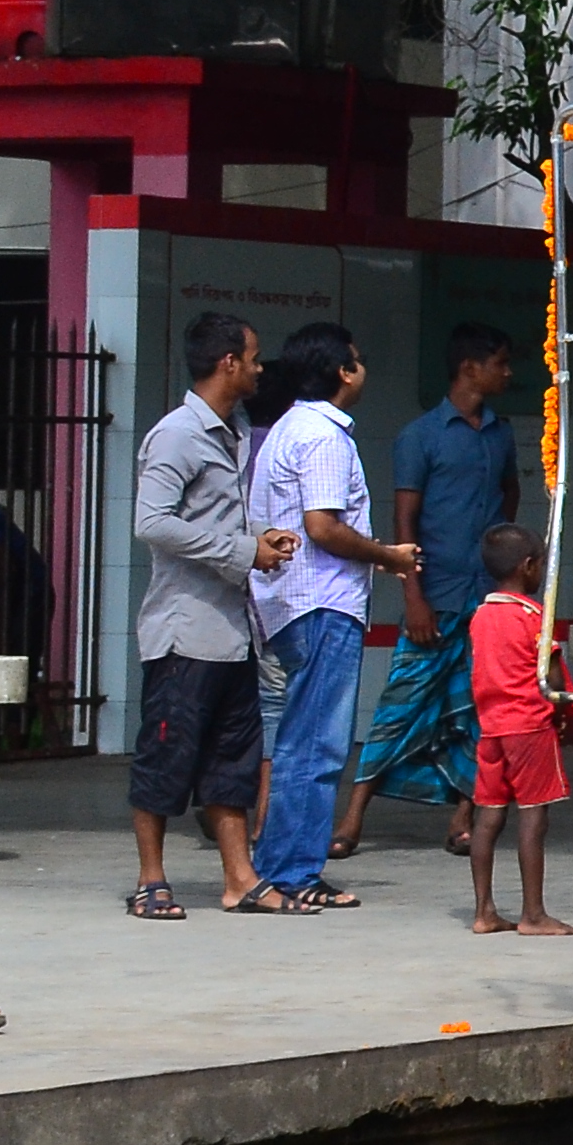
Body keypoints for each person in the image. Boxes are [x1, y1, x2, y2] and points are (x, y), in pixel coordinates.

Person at [125, 311, 299, 917]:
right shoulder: (177, 435)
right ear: (229, 363)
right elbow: (152, 522)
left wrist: (261, 537)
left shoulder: (231, 431)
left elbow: (215, 520)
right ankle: (151, 880)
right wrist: (240, 550)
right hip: (183, 634)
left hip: (229, 634)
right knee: (165, 759)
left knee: (232, 765)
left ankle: (239, 879)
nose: (258, 368)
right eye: (252, 358)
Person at [335, 324, 526, 868]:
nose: (507, 374)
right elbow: (404, 520)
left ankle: (462, 820)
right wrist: (412, 595)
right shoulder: (420, 435)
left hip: (485, 595)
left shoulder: (499, 434)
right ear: (471, 368)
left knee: (478, 710)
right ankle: (352, 818)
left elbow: (508, 493)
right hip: (435, 592)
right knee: (400, 704)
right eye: (501, 363)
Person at [240, 322, 415, 914]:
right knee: (315, 745)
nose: (363, 370)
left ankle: (286, 864)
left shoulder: (291, 427)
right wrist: (386, 555)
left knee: (301, 739)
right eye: (358, 361)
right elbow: (323, 526)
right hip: (321, 600)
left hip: (295, 601)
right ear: (343, 371)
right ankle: (292, 871)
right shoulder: (322, 435)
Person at [462, 521, 573, 937]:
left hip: (491, 728)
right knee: (532, 816)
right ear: (528, 566)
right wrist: (563, 712)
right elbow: (553, 678)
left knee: (487, 817)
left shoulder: (481, 616)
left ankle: (484, 910)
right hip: (528, 726)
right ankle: (533, 913)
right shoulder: (534, 616)